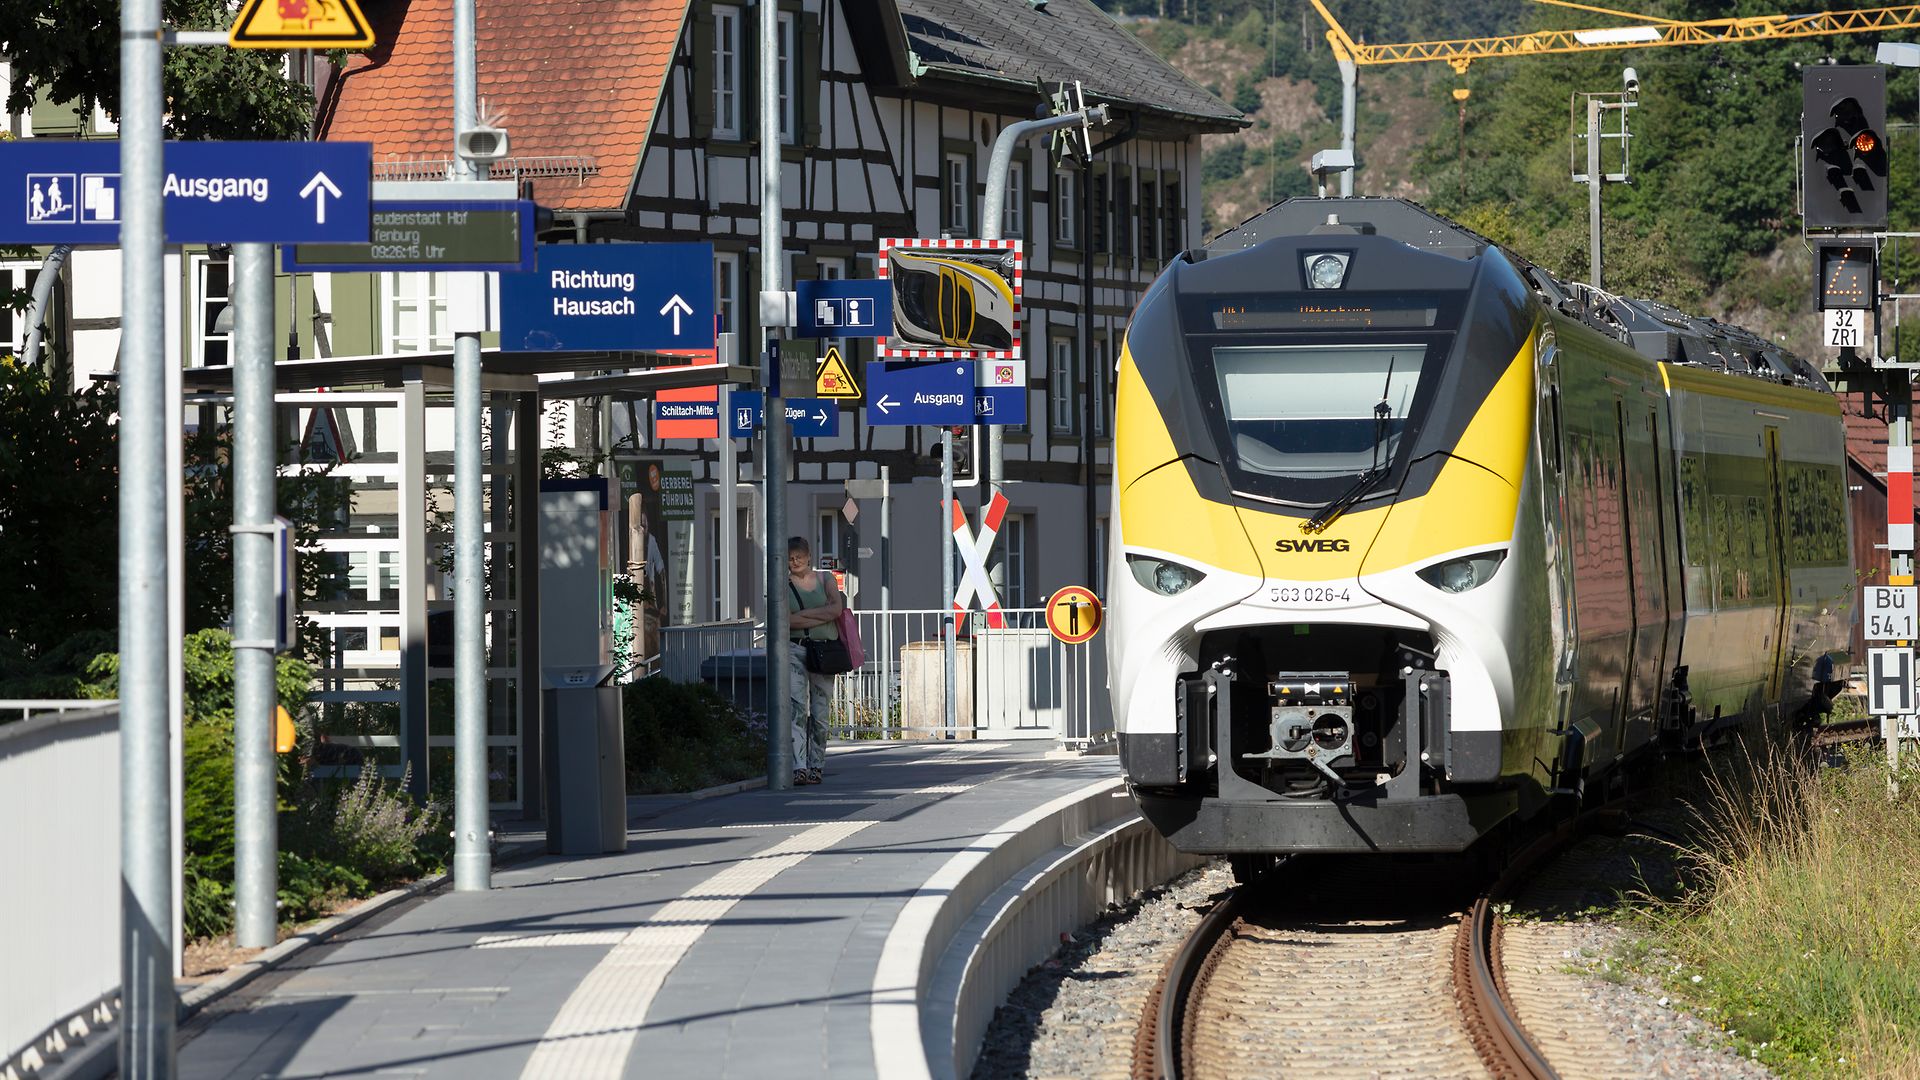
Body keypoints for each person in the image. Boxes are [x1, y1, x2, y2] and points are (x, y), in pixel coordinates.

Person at [786, 536, 842, 786]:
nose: (794, 560)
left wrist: (803, 616)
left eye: (799, 555)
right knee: (797, 709)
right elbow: (786, 621)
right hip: (795, 650)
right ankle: (799, 767)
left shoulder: (825, 579)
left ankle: (816, 765)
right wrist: (821, 616)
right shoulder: (783, 584)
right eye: (790, 557)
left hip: (823, 653)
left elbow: (836, 609)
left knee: (819, 714)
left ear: (809, 556)